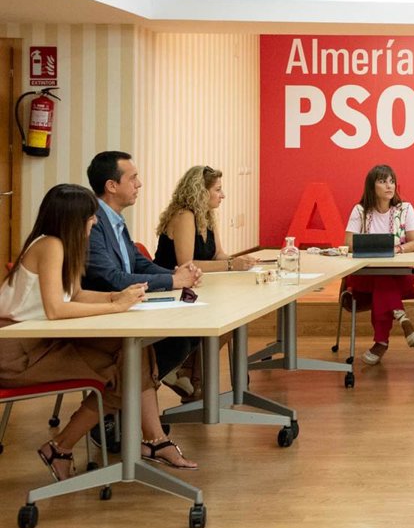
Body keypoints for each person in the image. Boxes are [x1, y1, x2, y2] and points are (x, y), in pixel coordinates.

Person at [0, 183, 197, 480]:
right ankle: (71, 446)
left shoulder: (63, 246)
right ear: (72, 219)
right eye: (90, 216)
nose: (94, 221)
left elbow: (76, 295)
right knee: (124, 367)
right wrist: (115, 307)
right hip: (15, 351)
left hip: (40, 341)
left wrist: (117, 296)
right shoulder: (50, 245)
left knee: (133, 354)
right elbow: (56, 309)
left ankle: (70, 447)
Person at [83, 151, 203, 405]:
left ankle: (125, 404)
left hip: (128, 305)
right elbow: (111, 278)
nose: (139, 184)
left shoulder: (114, 218)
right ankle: (114, 408)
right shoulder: (92, 221)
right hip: (103, 313)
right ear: (112, 186)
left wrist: (177, 275)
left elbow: (137, 262)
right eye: (133, 178)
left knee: (191, 332)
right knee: (177, 342)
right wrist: (173, 282)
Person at [153, 165, 259, 397]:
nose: (223, 195)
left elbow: (218, 255)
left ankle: (188, 375)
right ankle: (191, 379)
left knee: (233, 317)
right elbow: (187, 264)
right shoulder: (184, 216)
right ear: (201, 192)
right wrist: (231, 266)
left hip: (196, 287)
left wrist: (241, 262)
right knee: (223, 317)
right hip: (170, 289)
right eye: (218, 190)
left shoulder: (207, 215)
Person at [343, 164, 414, 365]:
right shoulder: (360, 210)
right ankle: (400, 316)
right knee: (381, 279)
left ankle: (381, 342)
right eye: (382, 181)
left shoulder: (405, 209)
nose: (389, 186)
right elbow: (349, 243)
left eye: (392, 181)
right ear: (372, 186)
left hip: (400, 276)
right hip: (364, 277)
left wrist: (397, 249)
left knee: (382, 283)